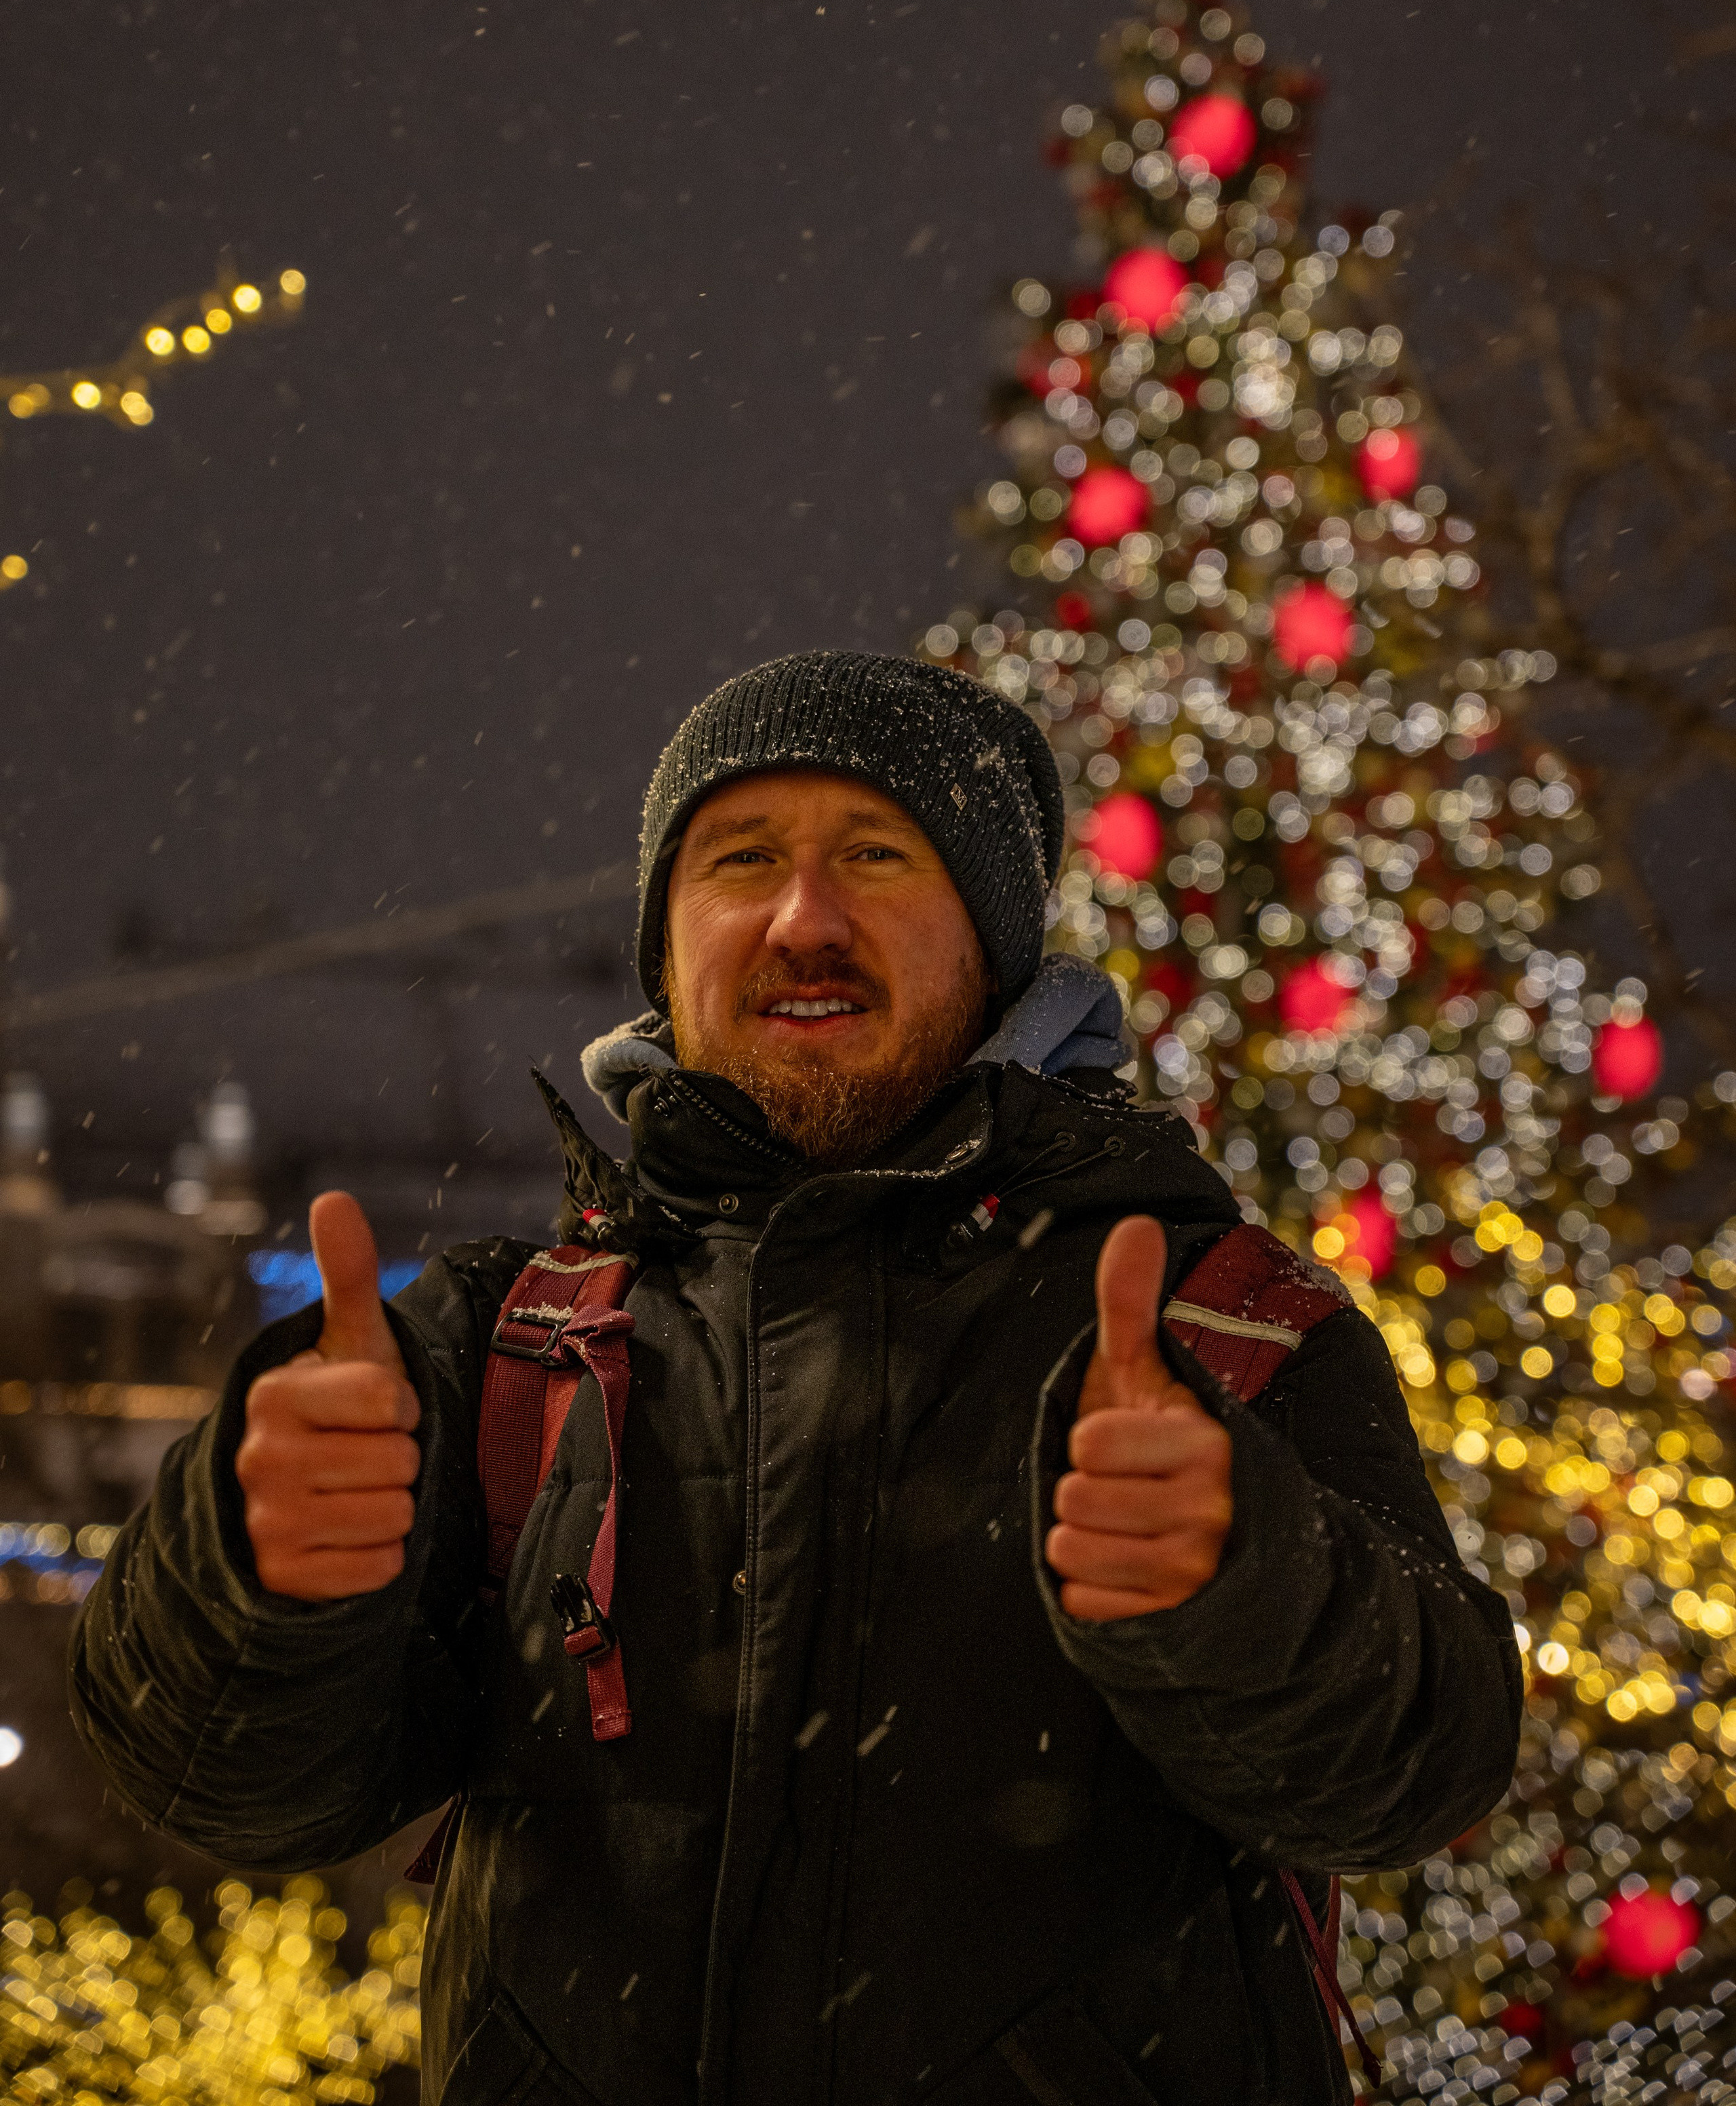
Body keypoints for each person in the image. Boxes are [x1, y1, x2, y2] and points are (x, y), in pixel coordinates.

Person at [72, 649, 1520, 2106]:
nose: (801, 919)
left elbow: (1418, 1772)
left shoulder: (1222, 1325)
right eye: (738, 860)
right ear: (664, 947)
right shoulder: (506, 1343)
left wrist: (1234, 1576)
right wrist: (258, 1574)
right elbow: (221, 1789)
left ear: (998, 946)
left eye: (876, 857)